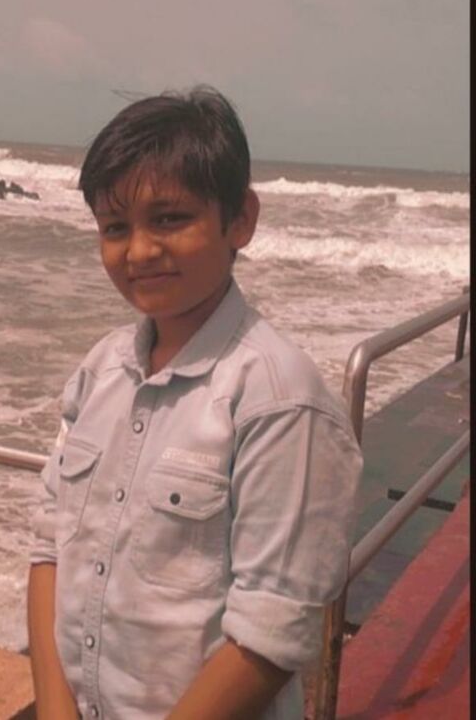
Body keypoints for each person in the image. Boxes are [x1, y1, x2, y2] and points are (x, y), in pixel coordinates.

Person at [27, 86, 363, 720]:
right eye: (115, 228)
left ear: (241, 219)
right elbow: (49, 545)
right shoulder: (100, 371)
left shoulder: (279, 402)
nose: (138, 251)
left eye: (169, 219)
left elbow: (270, 634)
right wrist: (53, 706)